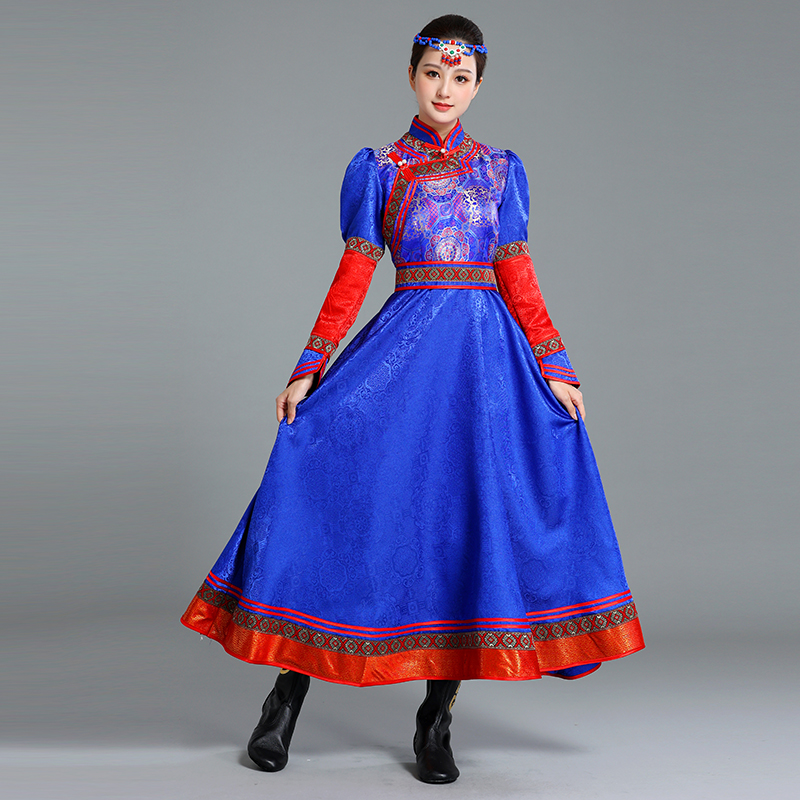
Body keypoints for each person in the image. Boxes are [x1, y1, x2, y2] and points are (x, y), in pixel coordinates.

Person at [181, 14, 644, 785]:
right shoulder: (381, 168)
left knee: (462, 529)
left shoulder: (500, 171)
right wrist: (310, 363)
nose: (445, 89)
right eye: (433, 73)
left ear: (479, 86)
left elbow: (517, 273)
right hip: (402, 359)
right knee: (349, 506)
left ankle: (437, 719)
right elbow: (355, 272)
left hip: (484, 371)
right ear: (410, 76)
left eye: (461, 78)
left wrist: (555, 362)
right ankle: (284, 699)